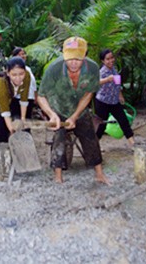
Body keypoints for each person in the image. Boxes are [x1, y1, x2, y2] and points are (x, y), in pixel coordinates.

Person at [37, 36, 110, 184]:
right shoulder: (54, 69)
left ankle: (99, 174)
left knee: (90, 138)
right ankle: (58, 177)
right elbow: (41, 96)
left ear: (85, 55)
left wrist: (75, 116)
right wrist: (52, 115)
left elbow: (89, 93)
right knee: (59, 139)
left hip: (80, 109)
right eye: (69, 59)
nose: (73, 63)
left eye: (77, 59)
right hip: (59, 107)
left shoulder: (93, 69)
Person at [0, 57, 31, 142]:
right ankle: (1, 147)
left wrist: (23, 120)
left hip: (8, 97)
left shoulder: (27, 76)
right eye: (14, 75)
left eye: (21, 74)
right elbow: (5, 110)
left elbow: (24, 99)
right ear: (8, 73)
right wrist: (12, 130)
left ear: (25, 71)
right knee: (0, 125)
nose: (18, 78)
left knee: (13, 124)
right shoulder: (1, 82)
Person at [94, 49, 134, 146]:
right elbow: (95, 83)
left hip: (114, 102)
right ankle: (95, 147)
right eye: (108, 59)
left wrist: (120, 95)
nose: (111, 60)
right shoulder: (102, 71)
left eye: (112, 58)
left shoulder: (114, 69)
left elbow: (117, 84)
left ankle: (133, 144)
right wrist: (107, 79)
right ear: (103, 61)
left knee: (124, 121)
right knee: (101, 126)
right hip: (102, 102)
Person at [9, 47, 37, 119]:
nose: (22, 56)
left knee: (27, 120)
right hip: (18, 98)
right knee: (18, 120)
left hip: (29, 98)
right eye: (19, 54)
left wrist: (35, 97)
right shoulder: (12, 70)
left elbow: (33, 85)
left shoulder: (28, 69)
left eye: (23, 54)